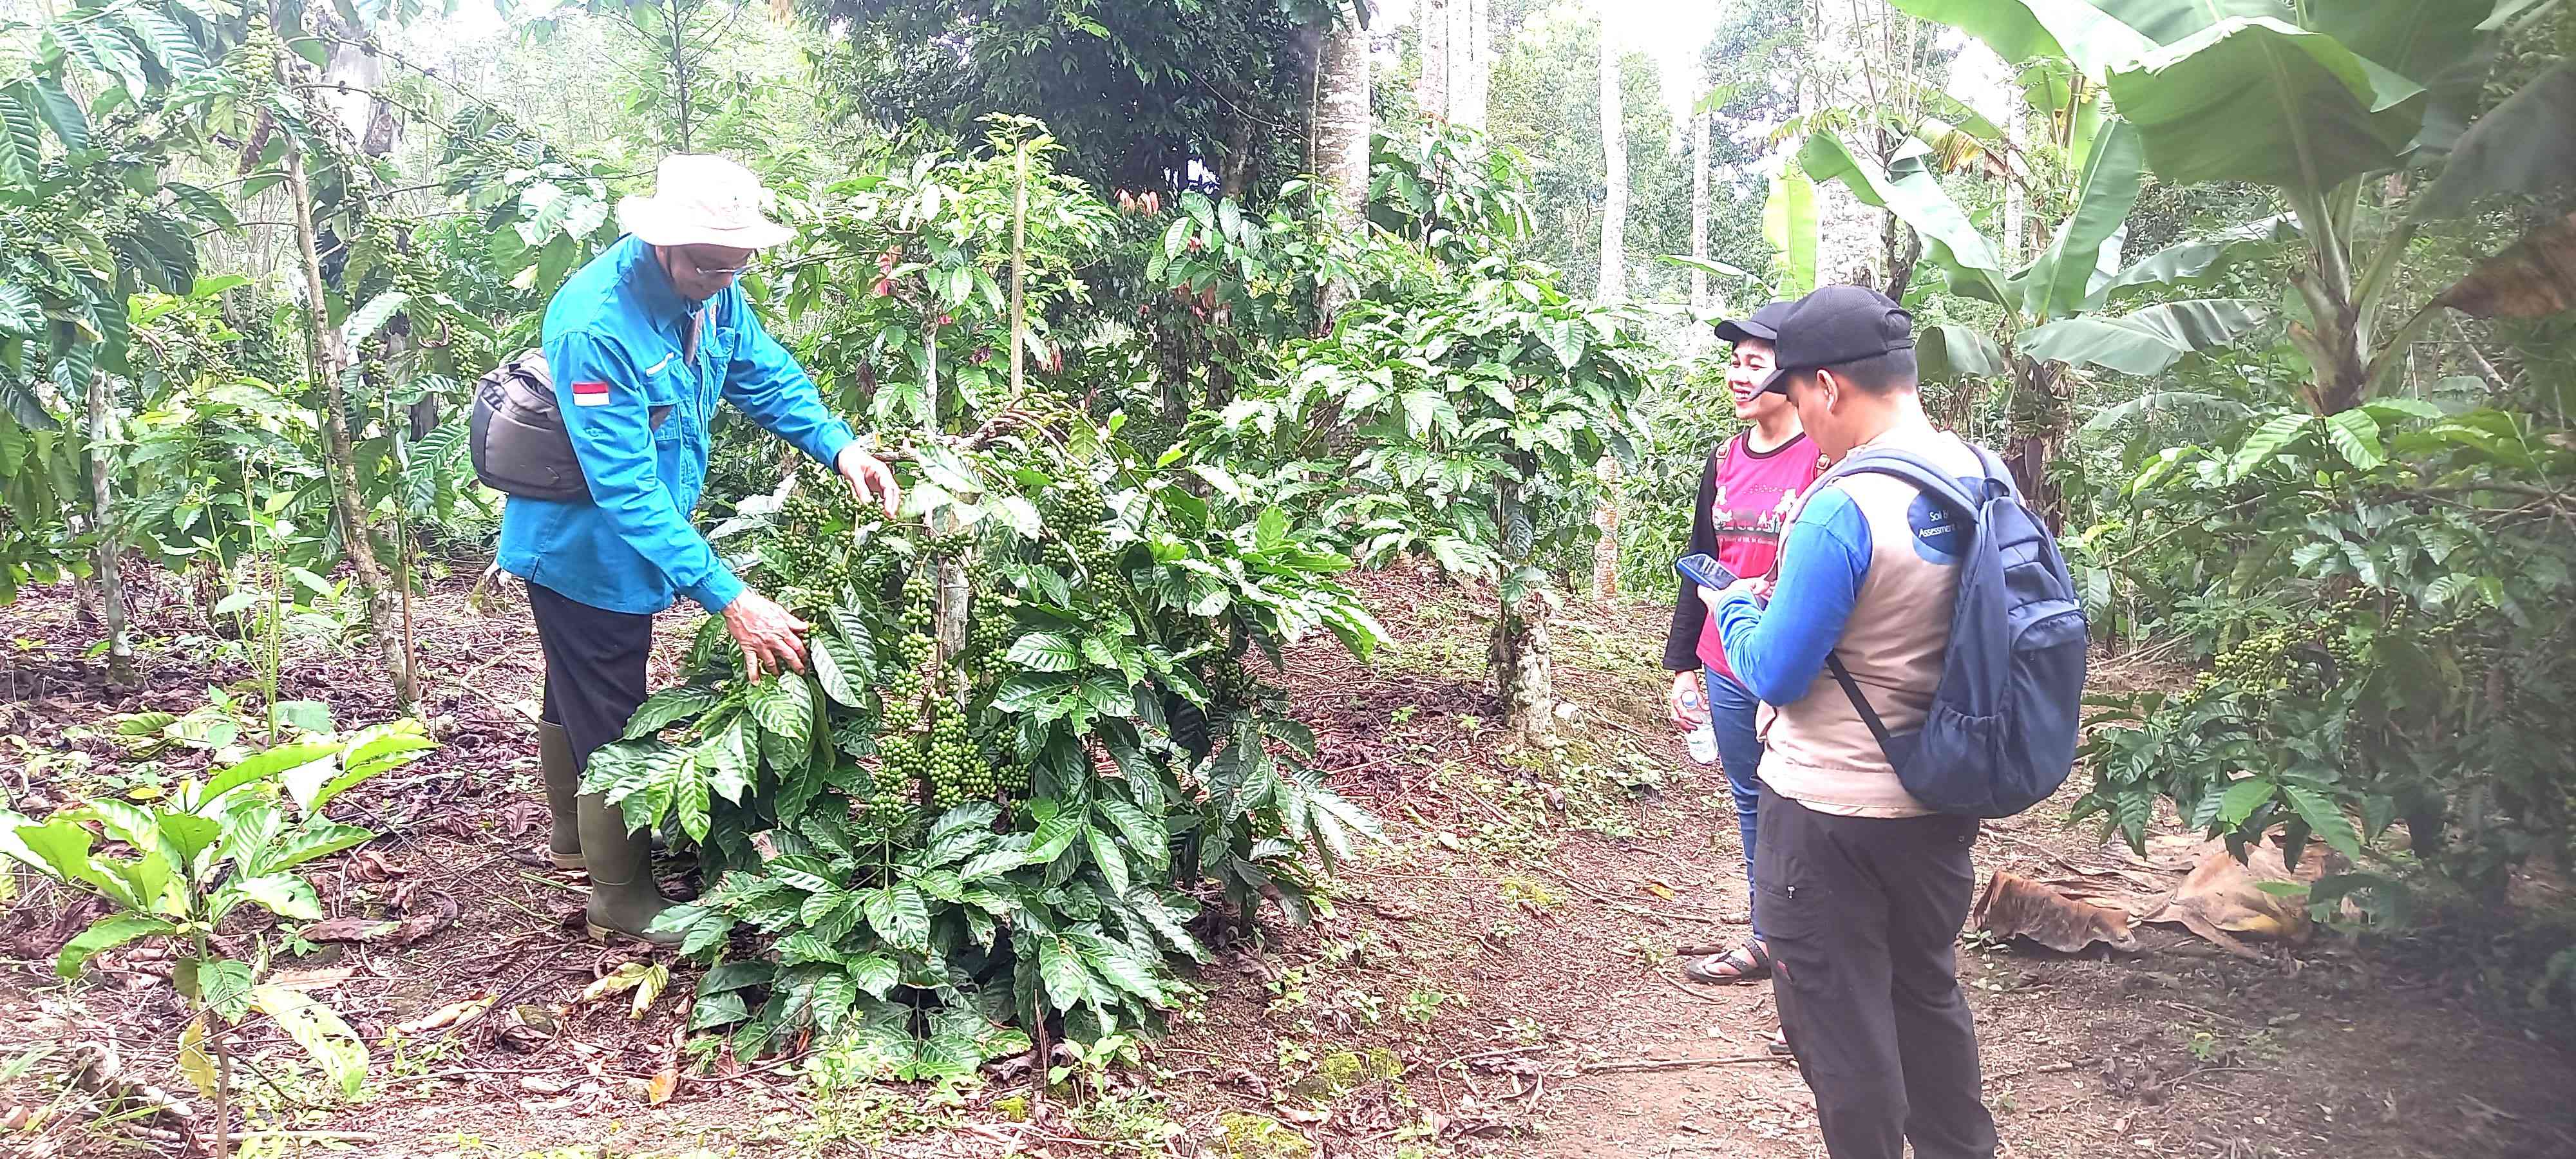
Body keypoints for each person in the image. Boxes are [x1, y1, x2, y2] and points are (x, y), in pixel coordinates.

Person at [498, 154, 902, 945]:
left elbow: (761, 372)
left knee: (576, 683)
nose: (721, 277)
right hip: (584, 548)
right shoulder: (596, 325)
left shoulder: (715, 293)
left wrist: (838, 447)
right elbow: (624, 490)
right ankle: (619, 897)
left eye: (735, 262)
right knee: (614, 714)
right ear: (660, 242)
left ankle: (574, 841)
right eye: (706, 263)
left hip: (636, 534)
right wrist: (730, 597)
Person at [1702, 285, 2000, 1159]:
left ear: (1828, 388)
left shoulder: (1844, 503)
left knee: (1843, 1039)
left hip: (1830, 818)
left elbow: (1775, 672)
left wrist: (1731, 605)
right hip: (1939, 801)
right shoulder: (1980, 474)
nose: (1802, 421)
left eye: (1798, 399)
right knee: (1926, 1002)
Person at [1661, 300, 1824, 986]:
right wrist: (1680, 666)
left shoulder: (1824, 457)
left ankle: (1818, 936)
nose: (1736, 376)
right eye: (1732, 363)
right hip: (1726, 661)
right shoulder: (1723, 458)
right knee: (1751, 798)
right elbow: (1701, 557)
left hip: (1798, 663)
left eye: (1752, 364)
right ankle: (1769, 938)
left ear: (1789, 376)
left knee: (1810, 800)